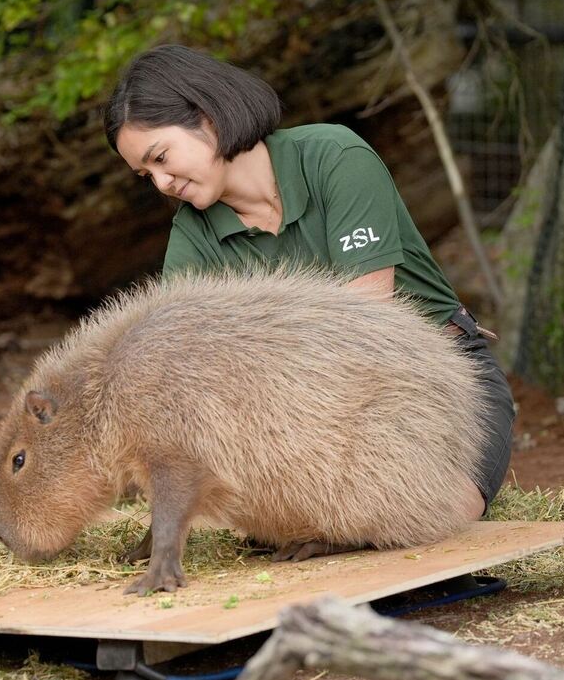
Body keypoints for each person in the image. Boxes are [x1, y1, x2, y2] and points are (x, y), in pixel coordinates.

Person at [104, 43, 513, 521]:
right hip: (303, 424)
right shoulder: (192, 238)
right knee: (297, 529)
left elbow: (366, 329)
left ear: (207, 116)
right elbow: (191, 377)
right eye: (144, 174)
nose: (162, 183)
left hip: (436, 384)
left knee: (430, 518)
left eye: (161, 156)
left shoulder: (333, 157)